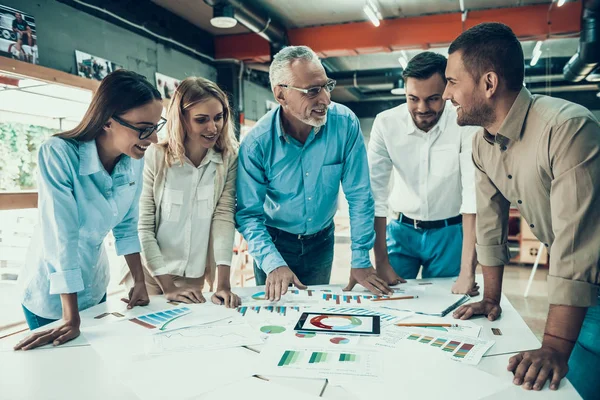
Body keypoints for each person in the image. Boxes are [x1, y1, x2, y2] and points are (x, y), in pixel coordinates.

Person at [443, 22, 600, 398]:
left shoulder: (568, 128)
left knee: (573, 385)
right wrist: (491, 297)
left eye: (452, 81)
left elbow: (575, 247)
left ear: (489, 83)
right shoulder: (481, 145)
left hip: (589, 275)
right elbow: (490, 225)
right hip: (586, 288)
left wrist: (554, 346)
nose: (447, 93)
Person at [15, 70, 164, 351]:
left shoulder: (134, 158)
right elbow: (62, 236)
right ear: (108, 121)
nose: (154, 138)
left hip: (94, 286)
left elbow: (127, 224)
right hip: (52, 295)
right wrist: (70, 317)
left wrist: (139, 280)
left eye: (157, 126)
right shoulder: (59, 154)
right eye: (145, 127)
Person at [236, 45, 393, 301]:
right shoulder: (257, 144)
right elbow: (248, 215)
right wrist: (273, 263)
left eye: (326, 86)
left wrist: (360, 257)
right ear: (281, 95)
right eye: (312, 91)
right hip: (275, 243)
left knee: (315, 314)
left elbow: (360, 196)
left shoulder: (345, 124)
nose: (326, 100)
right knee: (274, 320)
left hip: (322, 242)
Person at [368, 52, 479, 295]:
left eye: (433, 99)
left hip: (450, 235)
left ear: (447, 92)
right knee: (392, 304)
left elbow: (473, 195)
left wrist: (467, 272)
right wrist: (381, 262)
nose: (422, 108)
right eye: (413, 98)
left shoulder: (465, 123)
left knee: (446, 305)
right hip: (400, 232)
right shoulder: (386, 123)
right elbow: (375, 195)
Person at [124, 77, 241, 308]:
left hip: (193, 277)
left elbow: (224, 218)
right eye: (201, 120)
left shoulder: (228, 158)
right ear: (182, 120)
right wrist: (168, 287)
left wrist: (223, 284)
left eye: (219, 117)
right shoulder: (154, 156)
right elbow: (143, 227)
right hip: (149, 275)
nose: (213, 127)